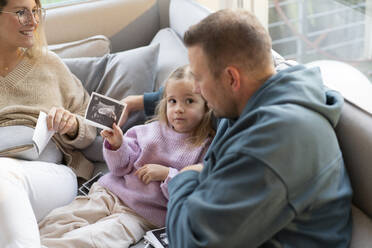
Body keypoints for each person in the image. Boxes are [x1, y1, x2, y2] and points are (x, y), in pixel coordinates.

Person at [123, 9, 353, 248]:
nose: (198, 90)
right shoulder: (257, 97)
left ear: (231, 78)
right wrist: (140, 102)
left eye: (199, 79)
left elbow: (190, 241)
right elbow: (203, 110)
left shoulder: (273, 145)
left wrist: (186, 175)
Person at [37, 65, 215, 248]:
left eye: (189, 101)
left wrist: (166, 174)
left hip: (140, 215)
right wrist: (117, 145)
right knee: (56, 221)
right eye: (172, 101)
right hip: (109, 194)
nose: (178, 109)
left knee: (90, 240)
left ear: (207, 105)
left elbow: (190, 193)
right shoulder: (146, 130)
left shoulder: (205, 148)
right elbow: (120, 167)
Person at [0, 0, 96, 247]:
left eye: (35, 11)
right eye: (21, 13)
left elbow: (92, 124)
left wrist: (72, 124)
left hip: (52, 174)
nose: (33, 21)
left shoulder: (49, 65)